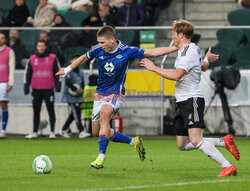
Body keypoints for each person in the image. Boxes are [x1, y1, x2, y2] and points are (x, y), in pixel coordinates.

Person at [56, 25, 182, 169]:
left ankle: (100, 158)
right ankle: (134, 143)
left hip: (116, 92)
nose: (100, 45)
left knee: (105, 116)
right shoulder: (98, 49)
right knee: (99, 132)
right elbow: (84, 58)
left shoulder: (127, 51)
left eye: (103, 42)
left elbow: (152, 52)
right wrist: (66, 70)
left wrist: (175, 48)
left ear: (112, 40)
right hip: (100, 93)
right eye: (99, 42)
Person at [139, 20, 240, 177]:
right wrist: (206, 59)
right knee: (182, 144)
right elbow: (202, 68)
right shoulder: (187, 50)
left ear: (181, 34)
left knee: (195, 140)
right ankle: (223, 142)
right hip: (183, 101)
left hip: (191, 99)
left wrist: (154, 68)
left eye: (173, 33)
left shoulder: (189, 51)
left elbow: (177, 75)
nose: (172, 36)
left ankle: (227, 165)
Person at [24, 40, 61, 139]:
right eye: (39, 46)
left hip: (49, 89)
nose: (40, 48)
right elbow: (27, 74)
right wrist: (26, 86)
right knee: (36, 111)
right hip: (36, 89)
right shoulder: (32, 59)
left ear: (45, 47)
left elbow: (59, 72)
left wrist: (58, 85)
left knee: (51, 110)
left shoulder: (53, 58)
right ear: (36, 47)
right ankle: (34, 131)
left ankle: (52, 132)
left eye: (42, 46)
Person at [61, 55, 91, 139]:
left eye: (78, 60)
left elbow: (82, 83)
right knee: (76, 113)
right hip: (71, 96)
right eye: (75, 60)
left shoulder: (81, 72)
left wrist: (81, 90)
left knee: (73, 114)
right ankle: (81, 131)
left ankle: (64, 129)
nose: (76, 61)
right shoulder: (68, 71)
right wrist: (75, 89)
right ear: (71, 61)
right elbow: (68, 82)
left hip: (79, 96)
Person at [0, 32, 16, 138]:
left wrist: (10, 82)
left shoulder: (9, 51)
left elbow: (12, 67)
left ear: (5, 40)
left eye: (2, 38)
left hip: (3, 82)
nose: (0, 40)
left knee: (4, 105)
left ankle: (3, 130)